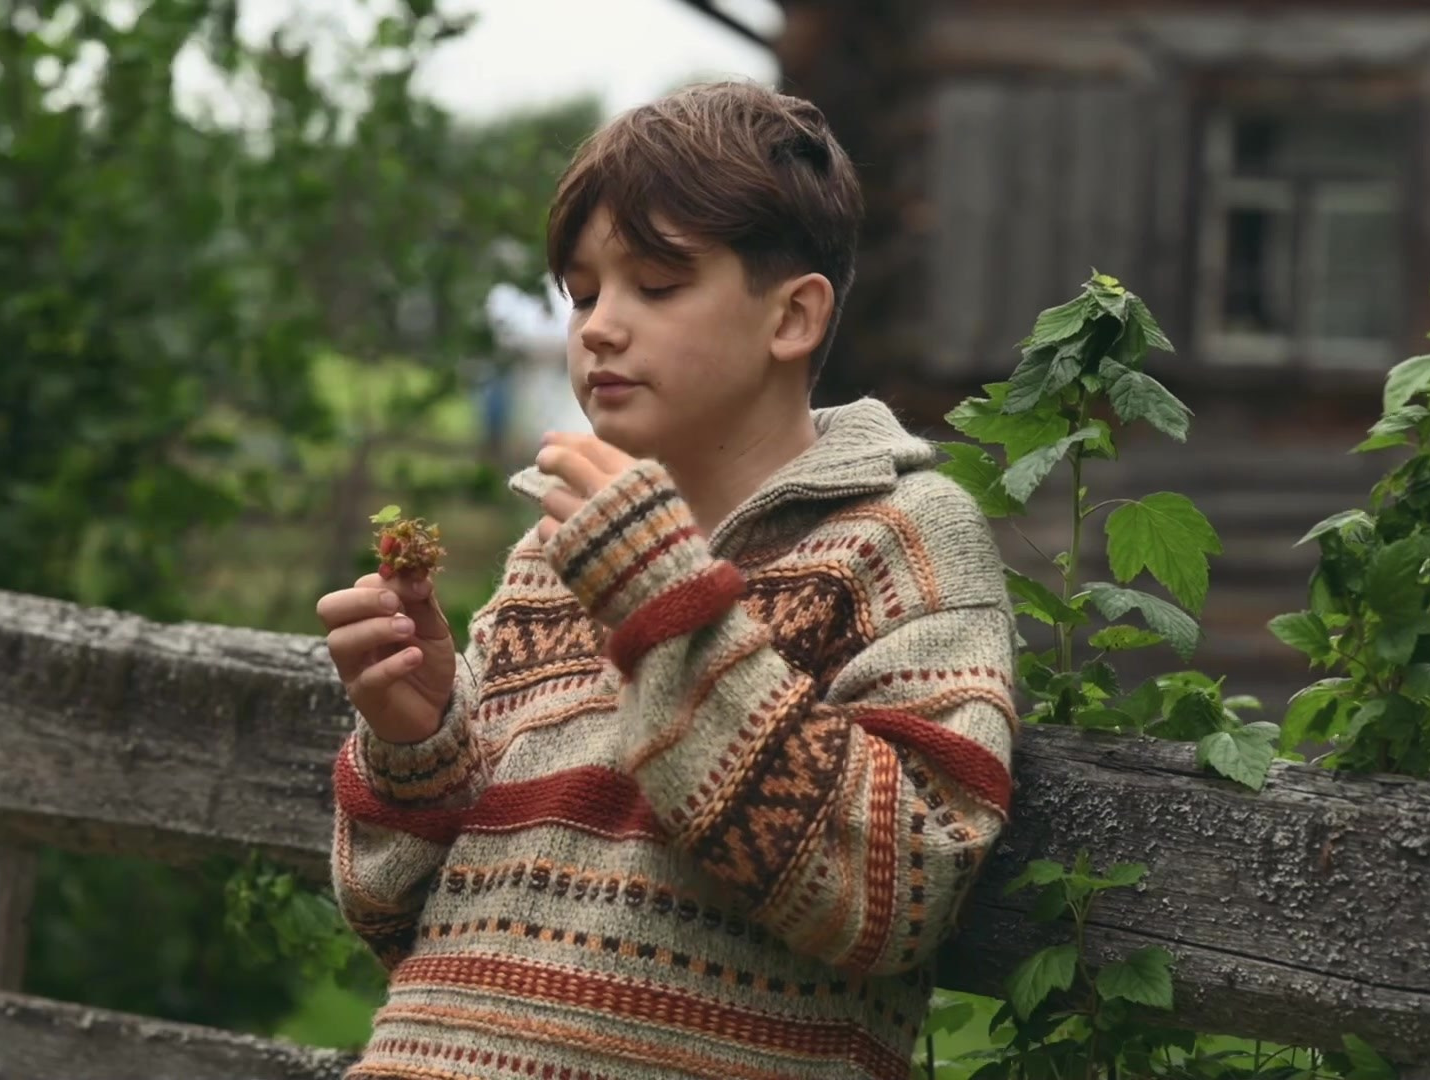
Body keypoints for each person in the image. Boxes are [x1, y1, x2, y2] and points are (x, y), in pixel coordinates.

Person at [315, 80, 1015, 1080]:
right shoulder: (545, 562)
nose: (599, 326)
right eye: (583, 292)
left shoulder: (896, 542)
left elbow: (895, 891)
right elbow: (401, 921)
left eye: (656, 283)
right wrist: (415, 741)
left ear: (793, 317)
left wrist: (661, 601)